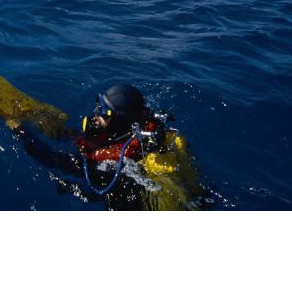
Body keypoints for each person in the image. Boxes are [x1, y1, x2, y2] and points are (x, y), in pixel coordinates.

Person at [14, 85, 206, 210]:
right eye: (99, 106)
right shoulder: (151, 128)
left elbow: (53, 159)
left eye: (104, 113)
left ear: (119, 121)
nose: (96, 114)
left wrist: (22, 134)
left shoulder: (116, 166)